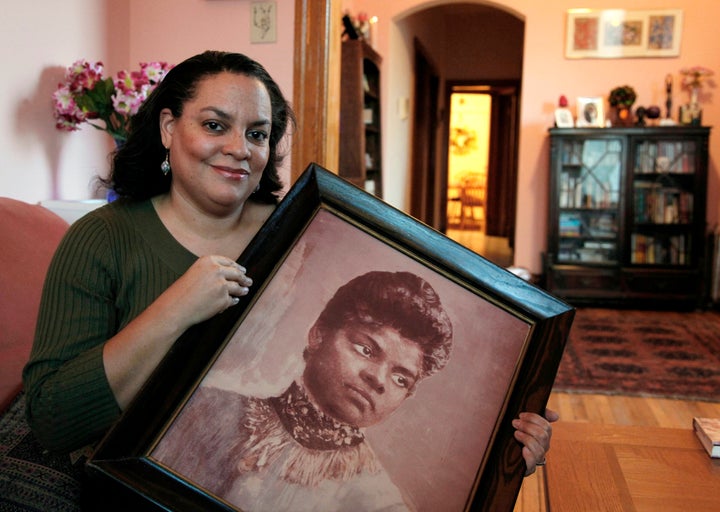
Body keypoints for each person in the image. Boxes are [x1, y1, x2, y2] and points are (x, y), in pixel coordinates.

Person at [22, 50, 554, 496]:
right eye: (214, 125)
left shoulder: (305, 237)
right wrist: (174, 310)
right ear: (167, 127)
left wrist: (503, 449)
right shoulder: (103, 239)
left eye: (257, 133)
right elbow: (51, 419)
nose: (238, 149)